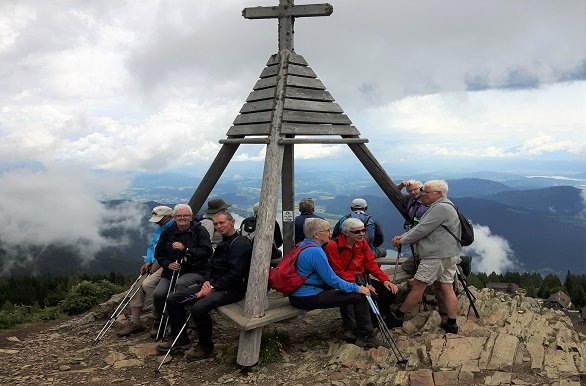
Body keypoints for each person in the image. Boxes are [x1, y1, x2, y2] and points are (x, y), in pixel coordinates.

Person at [156, 212, 253, 360]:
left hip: (232, 289)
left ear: (232, 222)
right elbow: (211, 266)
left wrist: (211, 288)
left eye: (222, 223)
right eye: (215, 224)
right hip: (214, 285)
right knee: (173, 300)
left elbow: (235, 274)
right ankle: (181, 340)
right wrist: (206, 282)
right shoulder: (224, 242)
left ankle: (205, 347)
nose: (218, 227)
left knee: (199, 307)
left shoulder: (241, 244)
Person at [288, 218, 383, 348]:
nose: (330, 233)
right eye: (327, 230)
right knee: (360, 296)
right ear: (316, 235)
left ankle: (352, 330)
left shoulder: (303, 245)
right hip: (307, 296)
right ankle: (366, 336)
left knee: (349, 293)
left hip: (299, 293)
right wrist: (358, 288)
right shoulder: (316, 252)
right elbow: (333, 280)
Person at [390, 180, 461, 334]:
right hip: (449, 253)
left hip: (435, 256)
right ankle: (452, 323)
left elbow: (422, 229)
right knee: (447, 287)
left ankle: (398, 317)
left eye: (426, 192)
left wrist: (401, 239)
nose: (422, 194)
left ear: (438, 194)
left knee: (418, 286)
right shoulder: (447, 205)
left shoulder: (439, 208)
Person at [324, 217, 399, 342]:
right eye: (357, 232)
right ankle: (352, 329)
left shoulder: (362, 242)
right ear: (346, 233)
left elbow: (370, 263)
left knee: (388, 291)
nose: (362, 234)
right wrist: (360, 286)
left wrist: (385, 280)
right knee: (352, 298)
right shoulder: (333, 246)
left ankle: (381, 318)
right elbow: (339, 272)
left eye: (363, 230)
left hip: (361, 277)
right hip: (344, 281)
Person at [152, 204, 213, 336]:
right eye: (179, 216)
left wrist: (185, 250)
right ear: (174, 217)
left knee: (180, 285)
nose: (182, 218)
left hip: (195, 270)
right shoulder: (168, 233)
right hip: (171, 271)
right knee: (159, 293)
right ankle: (159, 320)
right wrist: (168, 264)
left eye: (186, 215)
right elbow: (159, 254)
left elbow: (206, 252)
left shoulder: (200, 231)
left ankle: (179, 321)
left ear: (191, 217)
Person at [117, 206, 175, 338]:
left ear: (169, 216)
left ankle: (159, 317)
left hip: (166, 264)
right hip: (156, 262)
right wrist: (148, 260)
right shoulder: (161, 227)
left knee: (147, 284)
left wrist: (157, 262)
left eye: (160, 219)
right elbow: (152, 245)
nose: (157, 222)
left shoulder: (174, 228)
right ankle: (135, 321)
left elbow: (169, 251)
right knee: (137, 286)